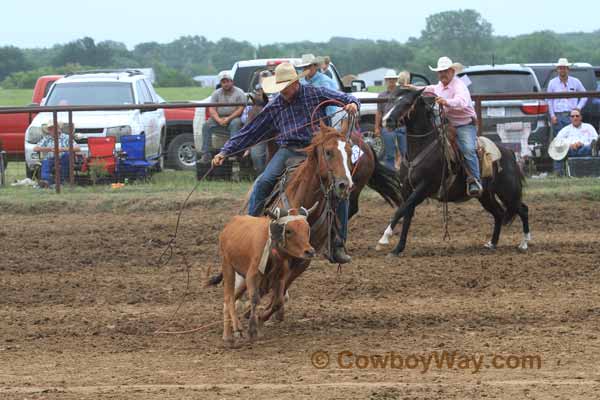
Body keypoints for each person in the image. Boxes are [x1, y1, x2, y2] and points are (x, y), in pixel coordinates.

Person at [212, 62, 359, 264]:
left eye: (286, 86)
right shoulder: (276, 105)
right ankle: (251, 227)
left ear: (296, 83)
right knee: (264, 182)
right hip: (288, 150)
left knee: (341, 188)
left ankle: (338, 243)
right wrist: (225, 150)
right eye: (280, 87)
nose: (283, 91)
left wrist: (352, 104)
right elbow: (251, 131)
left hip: (315, 151)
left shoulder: (315, 93)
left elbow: (347, 98)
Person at [424, 56, 482, 197]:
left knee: (468, 149)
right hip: (447, 124)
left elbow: (461, 102)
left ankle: (475, 180)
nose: (442, 74)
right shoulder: (439, 86)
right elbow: (428, 88)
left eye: (445, 71)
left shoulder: (459, 85)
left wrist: (446, 102)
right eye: (440, 71)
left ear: (452, 71)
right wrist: (413, 88)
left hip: (464, 125)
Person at [200, 71, 246, 164]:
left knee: (236, 123)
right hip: (219, 118)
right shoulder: (216, 93)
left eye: (228, 81)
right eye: (223, 82)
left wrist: (228, 118)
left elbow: (241, 109)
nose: (226, 84)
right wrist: (218, 120)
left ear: (232, 82)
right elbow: (212, 109)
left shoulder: (240, 92)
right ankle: (206, 153)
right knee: (206, 125)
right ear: (221, 83)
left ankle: (232, 152)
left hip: (234, 117)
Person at [375, 69, 407, 170]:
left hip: (401, 126)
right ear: (386, 81)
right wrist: (376, 127)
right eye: (389, 79)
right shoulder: (381, 96)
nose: (391, 81)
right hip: (388, 127)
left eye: (393, 79)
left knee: (405, 152)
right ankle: (391, 173)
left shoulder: (402, 93)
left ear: (396, 80)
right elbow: (379, 112)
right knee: (389, 154)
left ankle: (405, 172)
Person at [550, 109, 599, 174]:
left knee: (593, 148)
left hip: (585, 148)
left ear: (581, 117)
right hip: (570, 150)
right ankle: (559, 174)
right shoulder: (565, 129)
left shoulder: (589, 127)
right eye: (572, 116)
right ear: (570, 118)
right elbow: (557, 141)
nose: (575, 118)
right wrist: (569, 145)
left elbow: (595, 139)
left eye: (577, 116)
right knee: (558, 151)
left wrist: (582, 144)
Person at [547, 58, 588, 135]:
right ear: (557, 70)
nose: (562, 70)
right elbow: (549, 100)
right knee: (559, 139)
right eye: (560, 68)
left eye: (564, 68)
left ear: (568, 69)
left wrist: (578, 108)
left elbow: (585, 95)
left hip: (572, 115)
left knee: (573, 136)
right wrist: (552, 116)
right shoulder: (552, 83)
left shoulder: (575, 81)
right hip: (558, 116)